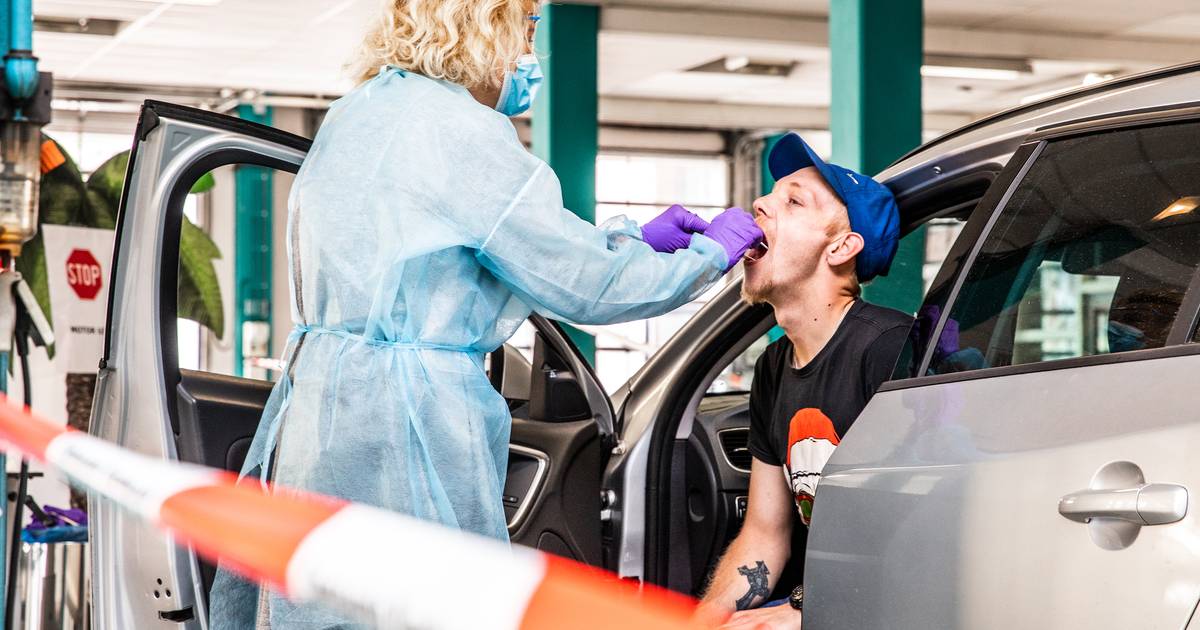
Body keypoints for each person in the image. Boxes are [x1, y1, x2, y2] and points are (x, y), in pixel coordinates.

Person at [209, 1, 764, 628]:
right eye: (527, 27)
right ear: (484, 24)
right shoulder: (461, 132)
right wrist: (707, 256)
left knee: (332, 595)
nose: (532, 49)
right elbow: (585, 285)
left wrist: (631, 236)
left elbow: (487, 248)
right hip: (415, 415)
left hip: (323, 409)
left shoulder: (360, 113)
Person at [695, 133, 913, 630]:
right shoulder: (774, 365)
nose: (759, 204)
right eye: (771, 194)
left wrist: (799, 612)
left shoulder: (889, 349)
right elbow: (765, 534)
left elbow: (918, 528)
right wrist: (706, 619)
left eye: (793, 201)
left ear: (840, 247)